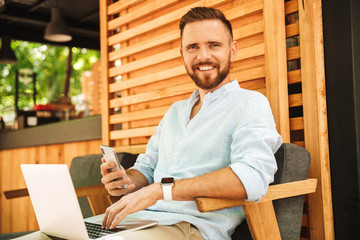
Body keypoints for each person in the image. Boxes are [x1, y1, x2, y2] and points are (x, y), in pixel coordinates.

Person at [100, 6, 282, 240]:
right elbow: (146, 169)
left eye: (214, 45)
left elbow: (250, 178)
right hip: (136, 221)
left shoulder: (251, 104)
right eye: (193, 47)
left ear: (233, 50)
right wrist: (123, 181)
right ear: (182, 55)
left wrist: (161, 190)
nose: (203, 56)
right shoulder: (174, 113)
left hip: (189, 227)